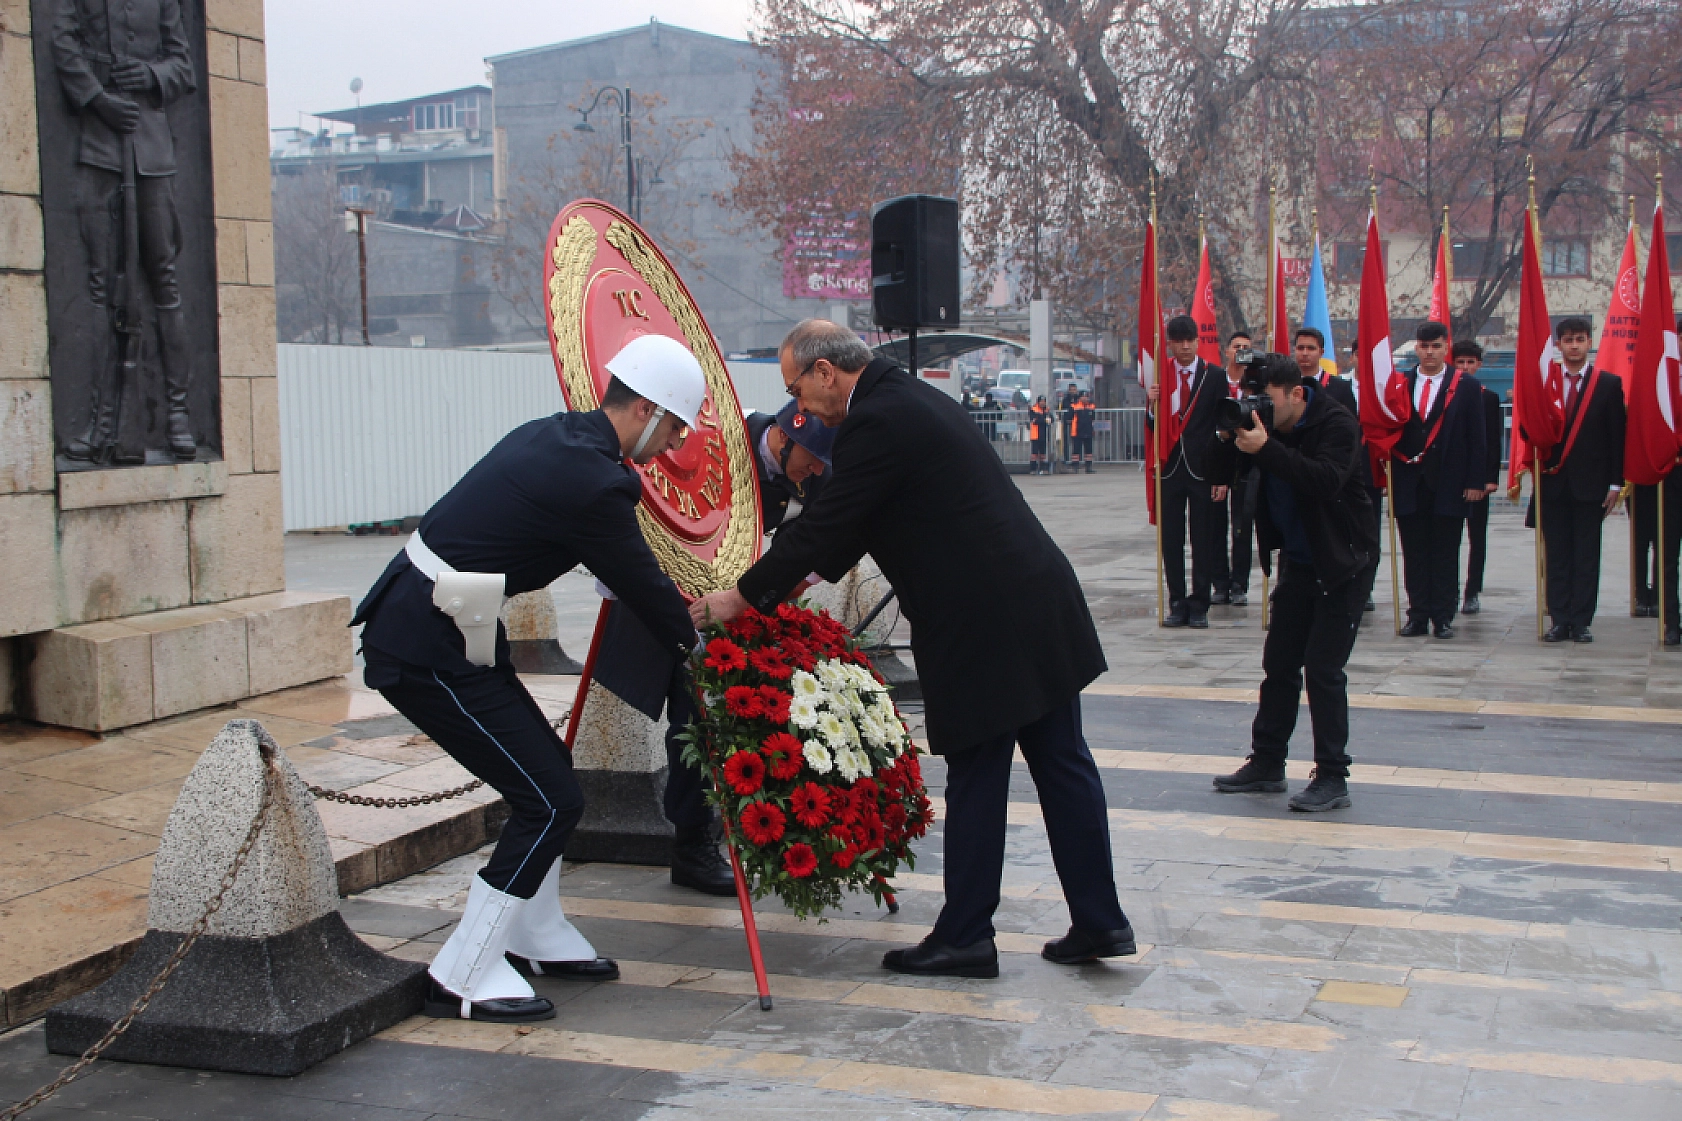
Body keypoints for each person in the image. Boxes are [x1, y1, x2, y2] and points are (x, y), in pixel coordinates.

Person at [689, 320, 1134, 979]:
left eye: (797, 390)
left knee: (981, 770)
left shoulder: (878, 417)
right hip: (1034, 598)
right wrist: (777, 589)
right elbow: (846, 533)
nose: (800, 408)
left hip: (984, 619)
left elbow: (832, 524)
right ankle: (1100, 918)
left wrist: (739, 598)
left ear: (825, 373)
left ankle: (966, 935)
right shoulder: (904, 401)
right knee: (1063, 761)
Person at [351, 334, 704, 1022]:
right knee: (549, 798)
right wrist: (701, 648)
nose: (674, 445)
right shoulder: (595, 477)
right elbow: (641, 581)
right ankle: (464, 967)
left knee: (547, 778)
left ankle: (537, 932)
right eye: (676, 428)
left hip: (445, 628)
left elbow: (600, 558)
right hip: (425, 644)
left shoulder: (561, 437)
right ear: (647, 412)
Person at [661, 400, 836, 895]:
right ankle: (692, 844)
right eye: (813, 457)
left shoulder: (815, 470)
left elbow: (819, 535)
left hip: (741, 600)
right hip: (680, 595)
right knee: (693, 717)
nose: (817, 469)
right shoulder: (720, 446)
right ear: (783, 436)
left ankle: (745, 830)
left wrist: (784, 584)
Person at [1208, 354, 1379, 812]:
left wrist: (1265, 449)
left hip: (1343, 561)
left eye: (1269, 400)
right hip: (1299, 562)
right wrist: (1228, 438)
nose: (1260, 409)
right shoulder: (1265, 429)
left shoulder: (1337, 425)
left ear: (1297, 394)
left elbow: (1322, 480)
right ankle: (1267, 762)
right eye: (1253, 399)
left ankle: (1332, 776)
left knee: (1323, 670)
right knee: (1279, 664)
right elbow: (1218, 475)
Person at [1529, 317, 1625, 643]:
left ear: (1589, 342)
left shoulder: (1608, 385)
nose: (1574, 345)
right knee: (1556, 555)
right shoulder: (1546, 382)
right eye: (1568, 340)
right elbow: (1530, 431)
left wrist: (1616, 484)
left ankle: (1582, 621)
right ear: (1558, 344)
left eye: (1580, 339)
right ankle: (1559, 619)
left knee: (1586, 556)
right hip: (1553, 483)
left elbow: (1617, 439)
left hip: (1591, 485)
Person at [1389, 322, 1486, 639]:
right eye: (1423, 346)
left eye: (1435, 346)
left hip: (1450, 482)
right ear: (1416, 348)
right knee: (1414, 551)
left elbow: (1477, 437)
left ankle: (1443, 616)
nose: (1429, 352)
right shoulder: (1400, 383)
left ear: (1447, 348)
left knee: (1446, 551)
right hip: (1409, 480)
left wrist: (1475, 481)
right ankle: (1417, 614)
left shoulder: (1466, 386)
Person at [1148, 315, 1227, 628]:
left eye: (1188, 340)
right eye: (1177, 340)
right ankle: (1177, 601)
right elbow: (1152, 427)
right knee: (1171, 539)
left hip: (1203, 468)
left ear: (1197, 341)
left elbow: (1224, 428)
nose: (1183, 346)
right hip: (1169, 469)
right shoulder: (1161, 375)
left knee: (1202, 537)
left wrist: (1222, 476)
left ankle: (1199, 603)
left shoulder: (1214, 376)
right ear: (1169, 343)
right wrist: (1150, 406)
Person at [1454, 340, 1504, 615]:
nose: (1465, 367)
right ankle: (1449, 589)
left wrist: (1490, 477)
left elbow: (1493, 441)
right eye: (1460, 362)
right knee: (1448, 538)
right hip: (1451, 478)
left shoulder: (1488, 397)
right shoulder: (1446, 393)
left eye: (1470, 363)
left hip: (1478, 479)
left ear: (1478, 365)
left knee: (1477, 538)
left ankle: (1472, 591)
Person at [1209, 332, 1255, 606]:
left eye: (1245, 348)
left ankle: (1239, 583)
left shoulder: (1256, 384)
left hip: (1247, 461)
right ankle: (1220, 583)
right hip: (1218, 459)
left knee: (1243, 524)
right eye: (1236, 347)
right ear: (1226, 351)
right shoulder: (1215, 380)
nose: (1240, 351)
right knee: (1216, 525)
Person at [1069, 389, 1097, 473]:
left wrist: (1092, 429)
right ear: (1079, 398)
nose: (1085, 398)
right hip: (1077, 431)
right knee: (1076, 450)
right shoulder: (1074, 406)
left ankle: (1088, 467)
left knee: (1088, 450)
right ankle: (1075, 467)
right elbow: (1069, 417)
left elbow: (1093, 418)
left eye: (1086, 397)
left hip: (1088, 430)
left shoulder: (1091, 406)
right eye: (1083, 397)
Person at [1027, 395, 1052, 474]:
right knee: (1034, 453)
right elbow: (1034, 420)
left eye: (1044, 401)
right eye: (1041, 401)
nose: (1043, 403)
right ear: (1038, 402)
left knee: (1042, 454)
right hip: (1035, 435)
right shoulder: (1033, 409)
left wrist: (1045, 420)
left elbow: (1052, 419)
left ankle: (1042, 469)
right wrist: (1044, 420)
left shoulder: (1047, 410)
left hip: (1044, 434)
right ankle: (1033, 469)